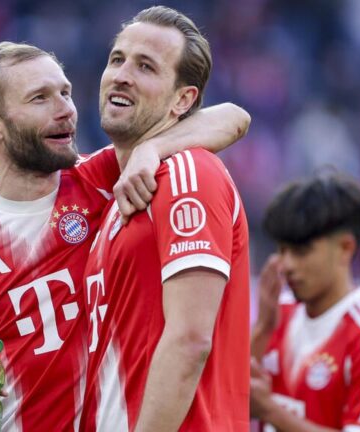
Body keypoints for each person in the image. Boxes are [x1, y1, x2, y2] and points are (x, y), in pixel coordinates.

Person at [0, 40, 250, 431]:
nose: (65, 110)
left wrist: (152, 149)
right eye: (40, 99)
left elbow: (232, 117)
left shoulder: (102, 180)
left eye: (65, 92)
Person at [80, 6, 251, 431]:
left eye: (145, 67)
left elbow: (190, 341)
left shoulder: (187, 175)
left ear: (183, 99)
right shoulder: (112, 191)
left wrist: (153, 149)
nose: (121, 75)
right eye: (117, 59)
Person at [250, 172, 360, 432]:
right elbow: (230, 394)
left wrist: (269, 411)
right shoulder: (278, 315)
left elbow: (260, 405)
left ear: (345, 248)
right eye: (282, 250)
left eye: (301, 252)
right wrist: (262, 329)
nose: (287, 265)